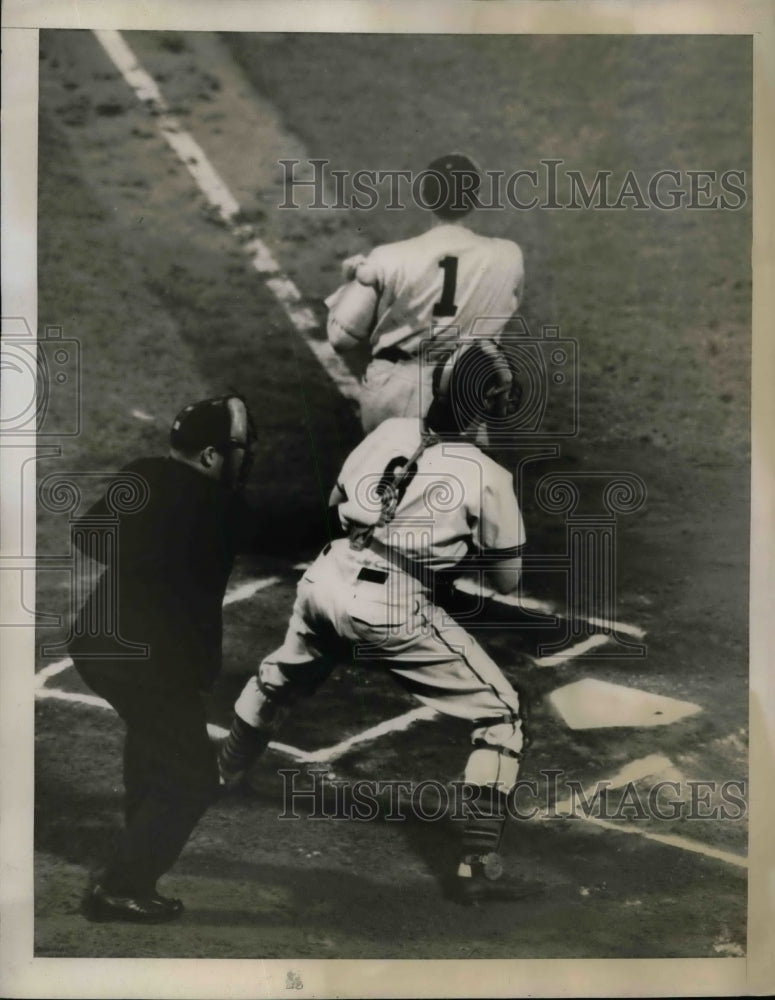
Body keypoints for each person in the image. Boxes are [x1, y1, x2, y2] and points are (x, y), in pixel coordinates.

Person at [218, 341, 532, 904]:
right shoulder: (489, 474)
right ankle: (478, 865)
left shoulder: (389, 433)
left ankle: (224, 774)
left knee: (280, 678)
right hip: (390, 607)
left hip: (324, 579)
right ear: (484, 405)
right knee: (502, 714)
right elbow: (508, 582)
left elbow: (339, 498)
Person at [69, 394, 257, 923]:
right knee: (192, 780)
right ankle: (123, 886)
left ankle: (132, 848)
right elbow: (285, 533)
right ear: (209, 456)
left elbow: (89, 535)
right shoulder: (224, 508)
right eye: (238, 450)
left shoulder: (142, 474)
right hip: (152, 666)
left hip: (100, 648)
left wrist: (151, 546)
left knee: (153, 744)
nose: (244, 461)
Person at [325, 152, 525, 433]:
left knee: (378, 474)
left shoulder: (388, 257)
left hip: (392, 392)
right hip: (461, 397)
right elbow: (509, 305)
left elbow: (340, 339)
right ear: (475, 200)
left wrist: (352, 282)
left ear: (425, 198)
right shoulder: (509, 255)